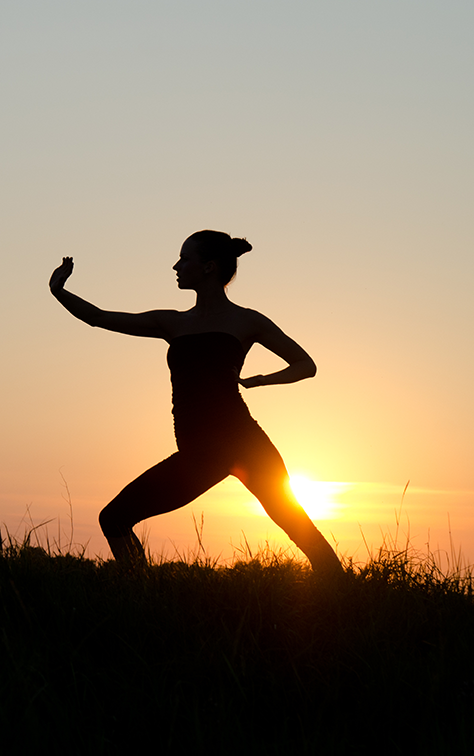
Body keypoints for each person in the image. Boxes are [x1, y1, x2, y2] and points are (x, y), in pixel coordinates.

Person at [49, 230, 341, 574]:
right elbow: (99, 317)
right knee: (114, 518)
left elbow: (305, 365)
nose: (176, 265)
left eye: (184, 258)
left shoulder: (246, 320)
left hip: (244, 443)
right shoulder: (171, 322)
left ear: (209, 267)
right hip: (198, 452)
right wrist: (59, 291)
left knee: (299, 528)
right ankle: (142, 598)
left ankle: (344, 597)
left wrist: (262, 380)